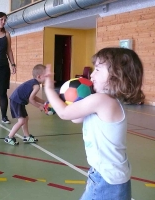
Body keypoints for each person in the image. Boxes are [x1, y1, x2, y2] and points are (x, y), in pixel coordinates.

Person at [44, 47, 145, 200]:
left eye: (97, 69)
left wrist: (49, 90)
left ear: (115, 76)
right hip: (107, 175)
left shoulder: (102, 100)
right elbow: (76, 118)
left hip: (106, 179)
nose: (92, 75)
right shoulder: (102, 100)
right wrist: (73, 99)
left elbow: (64, 113)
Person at [4, 64, 46, 145]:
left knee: (26, 118)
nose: (48, 77)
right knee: (22, 120)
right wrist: (40, 106)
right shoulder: (36, 86)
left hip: (18, 101)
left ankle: (26, 137)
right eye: (46, 75)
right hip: (17, 101)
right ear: (39, 76)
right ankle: (9, 137)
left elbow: (32, 96)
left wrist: (43, 102)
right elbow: (31, 99)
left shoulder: (34, 83)